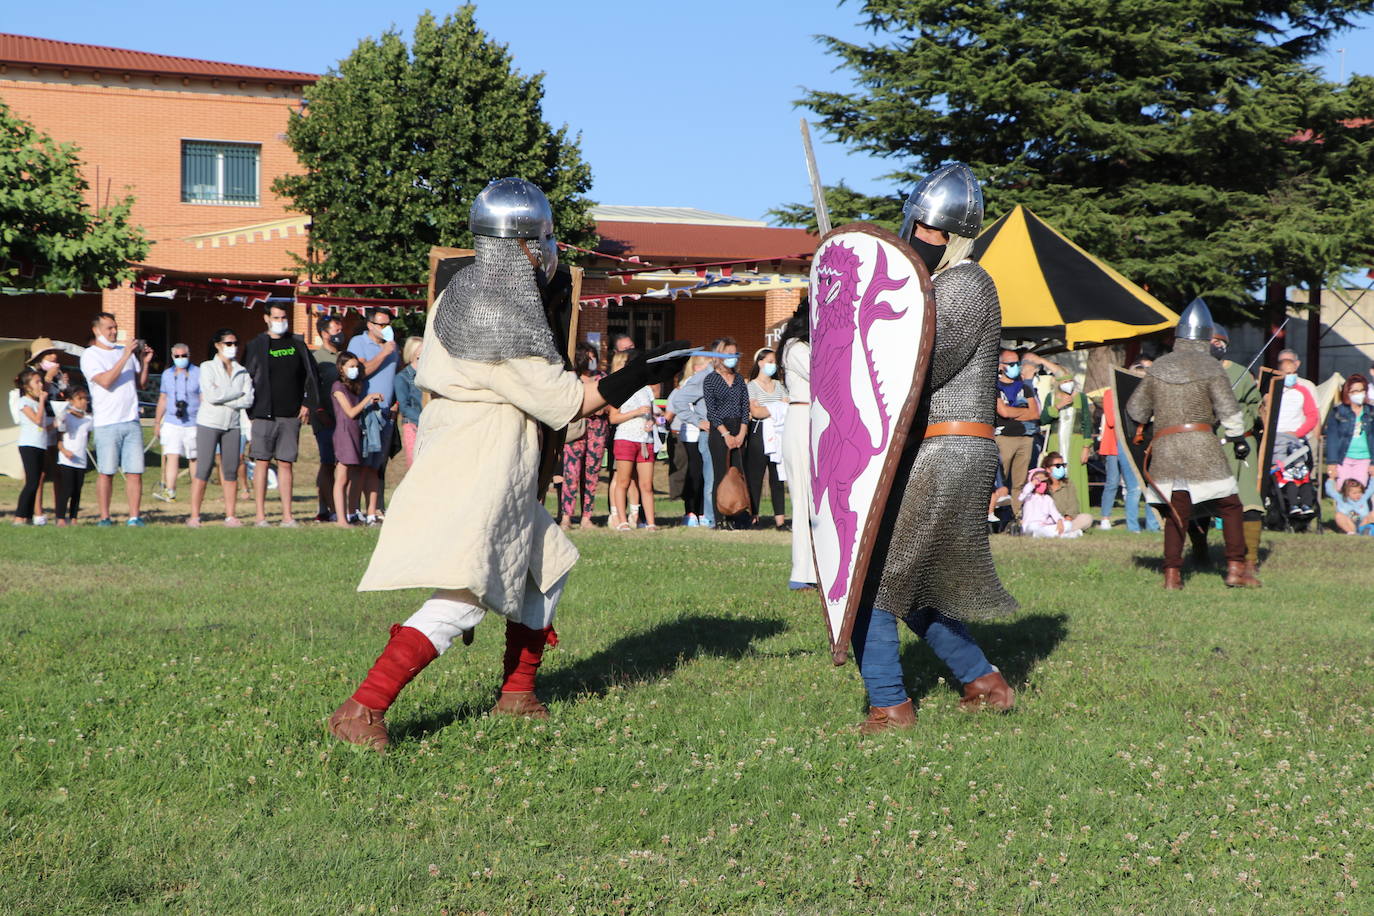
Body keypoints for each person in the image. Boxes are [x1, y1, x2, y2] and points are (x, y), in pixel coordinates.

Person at [326, 177, 690, 751]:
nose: (546, 253)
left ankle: (517, 693)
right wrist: (636, 374)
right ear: (525, 243)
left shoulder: (468, 288)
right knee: (465, 596)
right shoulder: (494, 306)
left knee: (546, 564)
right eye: (542, 241)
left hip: (488, 452)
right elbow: (565, 401)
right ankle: (363, 708)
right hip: (479, 461)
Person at [843, 162, 1019, 734]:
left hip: (948, 450)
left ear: (956, 235)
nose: (921, 238)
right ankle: (984, 682)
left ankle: (890, 705)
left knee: (874, 577)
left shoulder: (964, 284)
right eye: (920, 227)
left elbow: (916, 372)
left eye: (931, 231)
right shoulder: (939, 285)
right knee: (911, 580)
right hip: (936, 449)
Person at [1126, 299, 1259, 589]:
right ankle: (1236, 569)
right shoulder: (1211, 367)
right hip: (1202, 446)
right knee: (1232, 507)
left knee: (1177, 513)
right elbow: (1229, 412)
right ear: (1205, 336)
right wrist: (1237, 437)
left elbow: (1136, 410)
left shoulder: (1159, 367)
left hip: (1166, 448)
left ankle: (1172, 575)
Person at [243, 302, 321, 527]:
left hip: (291, 415)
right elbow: (246, 377)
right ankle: (260, 516)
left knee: (286, 463)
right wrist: (250, 410)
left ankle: (288, 516)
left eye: (283, 317)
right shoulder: (256, 345)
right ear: (266, 318)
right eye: (276, 318)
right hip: (263, 414)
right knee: (262, 462)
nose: (280, 322)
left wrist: (307, 402)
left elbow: (311, 375)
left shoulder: (296, 343)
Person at [79, 312, 153, 527]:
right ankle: (104, 517)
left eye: (115, 327)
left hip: (131, 420)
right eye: (109, 328)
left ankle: (134, 516)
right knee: (106, 472)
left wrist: (144, 362)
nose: (113, 332)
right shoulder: (90, 355)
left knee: (135, 471)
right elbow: (105, 381)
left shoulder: (125, 352)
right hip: (106, 423)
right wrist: (124, 357)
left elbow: (141, 384)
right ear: (96, 330)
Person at [1206, 324, 1264, 576]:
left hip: (1239, 445)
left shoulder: (1240, 373)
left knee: (1248, 501)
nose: (1214, 346)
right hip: (1205, 445)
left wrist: (1238, 422)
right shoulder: (1193, 374)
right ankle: (1199, 552)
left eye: (1218, 342)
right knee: (1197, 502)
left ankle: (1249, 560)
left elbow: (1255, 406)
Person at [189, 329, 254, 528]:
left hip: (233, 425)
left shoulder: (242, 370)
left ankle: (231, 515)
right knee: (204, 467)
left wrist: (228, 397)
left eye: (235, 343)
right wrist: (236, 394)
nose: (232, 347)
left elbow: (248, 399)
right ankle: (194, 515)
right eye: (228, 343)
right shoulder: (207, 367)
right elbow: (211, 396)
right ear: (217, 345)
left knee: (231, 469)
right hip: (209, 423)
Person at [347, 307, 402, 516]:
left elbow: (395, 374)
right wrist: (385, 352)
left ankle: (373, 510)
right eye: (382, 324)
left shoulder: (393, 346)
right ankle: (354, 509)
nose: (386, 328)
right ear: (370, 325)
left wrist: (396, 402)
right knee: (361, 464)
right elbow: (361, 372)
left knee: (375, 466)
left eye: (389, 324)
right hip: (367, 412)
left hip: (387, 413)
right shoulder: (358, 343)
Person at [779, 302, 816, 588]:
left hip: (813, 418)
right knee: (803, 497)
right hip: (802, 416)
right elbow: (823, 374)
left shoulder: (800, 346)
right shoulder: (795, 347)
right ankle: (801, 572)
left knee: (815, 499)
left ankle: (815, 566)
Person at [1093, 382, 1159, 533]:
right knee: (1114, 482)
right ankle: (1106, 517)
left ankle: (1151, 525)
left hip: (1138, 443)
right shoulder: (1111, 393)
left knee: (1145, 487)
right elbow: (1112, 420)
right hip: (1115, 444)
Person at [559, 341, 610, 529]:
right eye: (588, 357)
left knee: (592, 474)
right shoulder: (571, 379)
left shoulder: (602, 378)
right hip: (575, 431)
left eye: (593, 356)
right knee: (570, 474)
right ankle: (566, 516)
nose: (592, 360)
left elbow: (611, 404)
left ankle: (586, 517)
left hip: (597, 432)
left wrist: (601, 408)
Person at [331, 351, 384, 528]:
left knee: (352, 476)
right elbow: (351, 412)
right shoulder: (338, 387)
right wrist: (368, 399)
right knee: (342, 478)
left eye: (356, 366)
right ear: (341, 368)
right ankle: (341, 519)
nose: (354, 370)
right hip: (344, 434)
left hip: (355, 433)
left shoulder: (353, 387)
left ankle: (350, 513)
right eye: (350, 366)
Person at [704, 338, 749, 528]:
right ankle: (720, 517)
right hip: (719, 431)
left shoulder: (739, 379)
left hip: (739, 427)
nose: (733, 358)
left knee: (737, 474)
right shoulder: (711, 380)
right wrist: (726, 434)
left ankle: (737, 515)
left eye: (735, 354)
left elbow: (745, 406)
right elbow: (711, 411)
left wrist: (741, 433)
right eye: (729, 354)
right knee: (721, 474)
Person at [667, 353, 716, 529]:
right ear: (697, 368)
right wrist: (698, 420)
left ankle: (704, 511)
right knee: (693, 474)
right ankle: (691, 511)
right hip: (691, 434)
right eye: (707, 365)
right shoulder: (688, 385)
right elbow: (678, 407)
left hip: (705, 433)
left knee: (706, 474)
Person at [1270, 350, 1319, 518]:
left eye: (1294, 373)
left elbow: (1312, 416)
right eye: (1288, 373)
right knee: (1281, 476)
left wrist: (1297, 433)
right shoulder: (1272, 390)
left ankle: (1304, 504)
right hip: (1275, 440)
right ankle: (1284, 507)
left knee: (1300, 474)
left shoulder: (1303, 391)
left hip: (1296, 440)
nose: (1292, 376)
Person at [609, 377, 661, 531]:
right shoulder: (620, 389)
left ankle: (651, 523)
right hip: (625, 439)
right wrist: (636, 412)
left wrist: (653, 421)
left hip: (645, 441)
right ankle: (622, 521)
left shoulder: (647, 391)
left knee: (646, 484)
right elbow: (613, 417)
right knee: (623, 481)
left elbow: (656, 416)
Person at [745, 347, 789, 529]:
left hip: (779, 433)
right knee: (755, 477)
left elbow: (788, 406)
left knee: (777, 477)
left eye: (774, 361)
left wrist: (768, 408)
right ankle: (754, 516)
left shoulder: (780, 386)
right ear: (760, 362)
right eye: (770, 361)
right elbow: (755, 411)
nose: (773, 365)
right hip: (758, 432)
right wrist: (777, 407)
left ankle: (780, 520)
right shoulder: (751, 386)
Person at [994, 348, 1040, 518]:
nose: (1016, 367)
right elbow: (1003, 412)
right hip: (1004, 438)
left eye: (1018, 364)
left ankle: (1014, 517)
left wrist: (1012, 412)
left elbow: (1035, 414)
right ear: (1001, 366)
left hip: (1025, 439)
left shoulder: (1024, 386)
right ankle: (995, 516)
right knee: (1001, 481)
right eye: (1012, 364)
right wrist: (1022, 412)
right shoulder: (995, 385)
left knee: (1019, 483)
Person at [152, 342, 201, 503]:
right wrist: (157, 422)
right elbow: (163, 398)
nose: (181, 359)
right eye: (177, 356)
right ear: (173, 357)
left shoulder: (198, 372)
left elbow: (203, 397)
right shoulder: (167, 374)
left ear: (189, 355)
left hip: (193, 422)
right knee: (171, 456)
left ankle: (197, 492)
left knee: (194, 458)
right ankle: (170, 491)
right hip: (173, 421)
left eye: (184, 356)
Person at [1039, 369, 1092, 515]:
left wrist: (1086, 447)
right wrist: (1058, 406)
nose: (1067, 384)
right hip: (1056, 442)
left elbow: (1087, 422)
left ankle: (1077, 513)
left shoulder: (1081, 397)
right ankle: (1053, 512)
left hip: (1076, 443)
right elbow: (1043, 419)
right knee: (1054, 476)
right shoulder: (1051, 397)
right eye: (1064, 382)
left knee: (1075, 477)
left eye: (1070, 381)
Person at [26, 338, 66, 522]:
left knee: (58, 468)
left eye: (54, 352)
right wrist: (48, 378)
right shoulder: (31, 375)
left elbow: (61, 395)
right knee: (40, 472)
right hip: (40, 424)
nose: (53, 356)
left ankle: (60, 511)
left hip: (58, 422)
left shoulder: (57, 373)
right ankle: (37, 511)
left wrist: (62, 383)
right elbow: (34, 398)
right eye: (49, 353)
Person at [310, 315, 345, 522]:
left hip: (343, 418)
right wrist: (319, 411)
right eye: (335, 330)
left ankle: (325, 508)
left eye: (341, 330)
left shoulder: (344, 357)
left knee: (338, 463)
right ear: (324, 333)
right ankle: (332, 508)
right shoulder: (317, 358)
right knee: (328, 462)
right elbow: (311, 388)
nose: (340, 334)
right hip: (324, 417)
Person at [13, 368, 52, 525]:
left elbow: (42, 426)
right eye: (37, 382)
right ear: (27, 386)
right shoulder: (24, 402)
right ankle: (19, 516)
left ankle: (27, 517)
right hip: (28, 445)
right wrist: (42, 401)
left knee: (36, 482)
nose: (40, 384)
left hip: (39, 444)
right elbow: (37, 419)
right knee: (31, 481)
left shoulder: (35, 402)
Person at [1323, 374, 1372, 490]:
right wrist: (1332, 463)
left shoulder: (1371, 412)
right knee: (1343, 492)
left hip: (1364, 459)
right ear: (1347, 393)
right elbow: (1332, 439)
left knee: (1359, 492)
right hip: (1343, 459)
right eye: (1354, 391)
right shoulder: (1338, 412)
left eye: (1361, 390)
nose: (1359, 394)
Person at [54, 386, 92, 526]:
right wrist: (64, 451)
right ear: (70, 401)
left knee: (77, 489)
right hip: (67, 459)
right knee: (67, 488)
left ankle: (74, 517)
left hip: (81, 459)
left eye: (85, 399)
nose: (84, 402)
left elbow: (87, 437)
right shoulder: (66, 417)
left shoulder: (88, 419)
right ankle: (60, 518)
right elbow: (59, 437)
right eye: (79, 399)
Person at [1019, 466, 1092, 538]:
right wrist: (1033, 483)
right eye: (1039, 481)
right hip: (1030, 526)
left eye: (1044, 482)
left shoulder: (1047, 499)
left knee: (1067, 525)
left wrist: (1059, 521)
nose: (1042, 484)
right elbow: (1023, 495)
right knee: (1033, 527)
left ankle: (1063, 534)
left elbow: (1055, 513)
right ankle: (1067, 535)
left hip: (1044, 526)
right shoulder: (1029, 497)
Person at [393, 336, 425, 467]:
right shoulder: (402, 377)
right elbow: (404, 406)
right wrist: (422, 419)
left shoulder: (428, 375)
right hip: (413, 426)